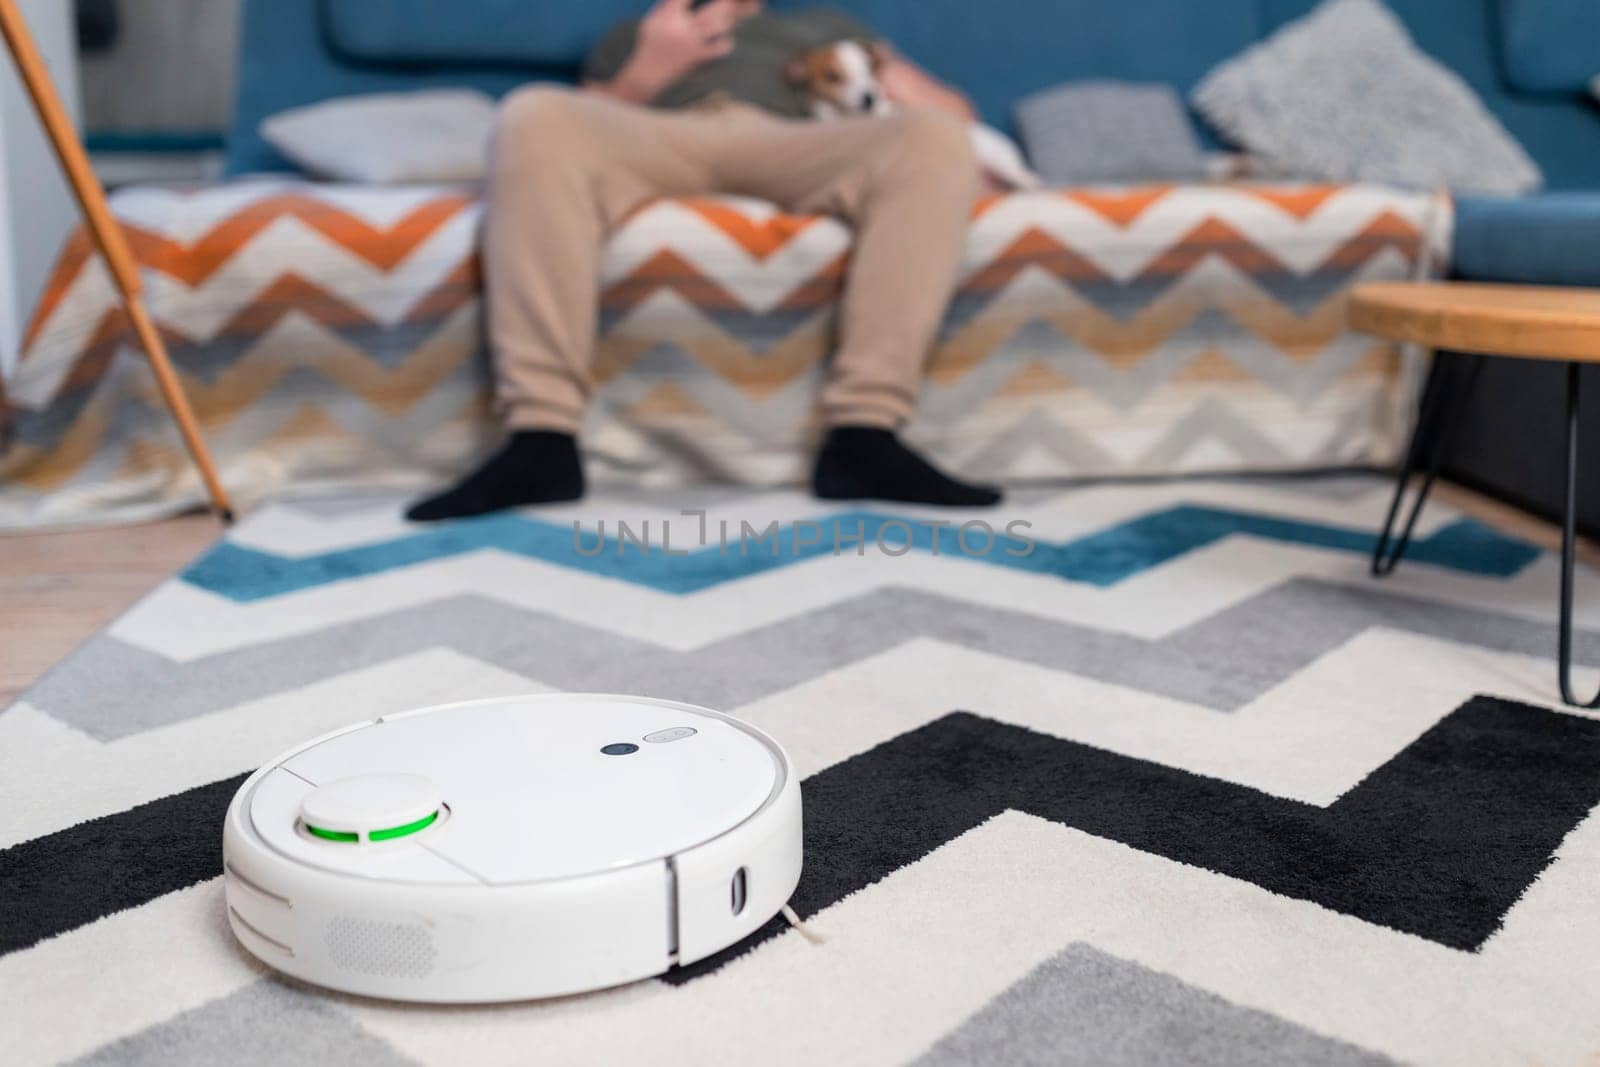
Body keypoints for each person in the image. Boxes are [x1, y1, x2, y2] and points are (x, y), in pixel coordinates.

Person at [407, 0, 1002, 521]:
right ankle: (541, 440)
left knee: (933, 136)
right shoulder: (639, 30)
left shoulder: (823, 26)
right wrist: (645, 70)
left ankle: (866, 438)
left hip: (792, 140)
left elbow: (959, 116)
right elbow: (576, 126)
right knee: (532, 113)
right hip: (663, 133)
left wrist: (879, 73)